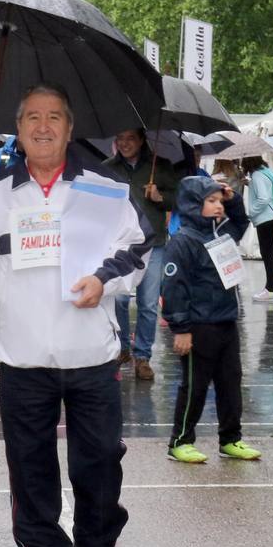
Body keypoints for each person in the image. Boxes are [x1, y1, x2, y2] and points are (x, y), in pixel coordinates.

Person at [0, 84, 152, 547]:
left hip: (90, 354)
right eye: (32, 118)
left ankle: (97, 542)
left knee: (101, 459)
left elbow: (136, 249)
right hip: (23, 357)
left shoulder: (102, 187)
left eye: (55, 117)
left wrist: (103, 281)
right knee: (30, 464)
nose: (43, 127)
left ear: (69, 127)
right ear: (17, 130)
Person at [161, 176, 259, 463]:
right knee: (194, 384)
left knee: (230, 382)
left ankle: (231, 438)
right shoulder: (183, 242)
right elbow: (173, 287)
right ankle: (180, 440)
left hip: (226, 321)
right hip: (198, 326)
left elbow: (241, 222)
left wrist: (234, 199)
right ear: (193, 204)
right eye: (211, 201)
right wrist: (181, 328)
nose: (218, 207)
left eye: (220, 201)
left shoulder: (220, 235)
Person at [103, 128, 176, 380]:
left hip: (153, 242)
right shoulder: (107, 168)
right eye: (120, 138)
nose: (124, 143)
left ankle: (143, 356)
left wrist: (160, 196)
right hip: (120, 243)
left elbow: (178, 198)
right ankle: (122, 346)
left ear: (142, 140)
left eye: (130, 138)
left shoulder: (160, 166)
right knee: (120, 298)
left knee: (147, 303)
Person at [242, 155, 273, 302]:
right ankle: (270, 287)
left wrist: (251, 212)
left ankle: (270, 289)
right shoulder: (266, 171)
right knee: (269, 254)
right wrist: (250, 184)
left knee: (266, 254)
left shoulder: (256, 175)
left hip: (265, 219)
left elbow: (263, 198)